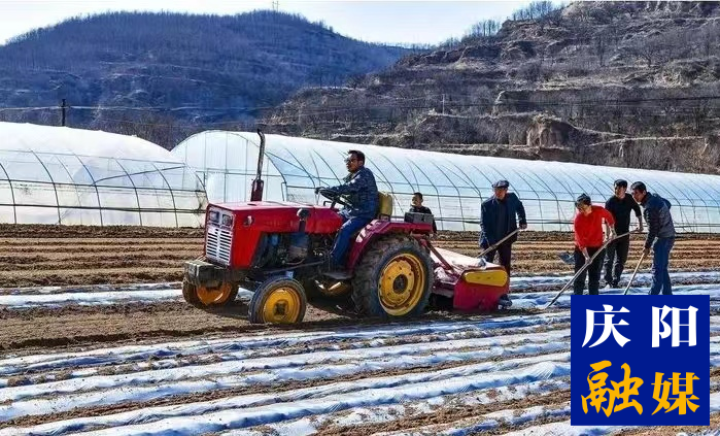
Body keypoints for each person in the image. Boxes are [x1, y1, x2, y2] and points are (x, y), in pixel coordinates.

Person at [315, 150, 378, 270]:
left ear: (361, 162)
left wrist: (330, 189)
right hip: (350, 210)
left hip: (363, 213)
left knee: (345, 230)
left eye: (352, 160)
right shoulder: (352, 175)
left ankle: (332, 262)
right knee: (327, 221)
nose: (348, 163)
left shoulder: (364, 174)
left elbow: (350, 187)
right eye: (347, 160)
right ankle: (320, 252)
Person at [630, 182, 676, 295]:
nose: (634, 196)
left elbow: (653, 230)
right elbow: (668, 204)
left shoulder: (650, 208)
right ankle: (667, 294)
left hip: (663, 238)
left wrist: (647, 247)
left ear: (644, 192)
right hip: (669, 236)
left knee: (657, 269)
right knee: (662, 269)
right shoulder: (655, 198)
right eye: (632, 194)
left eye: (636, 193)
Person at [480, 180, 527, 275]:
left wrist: (522, 220)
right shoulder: (487, 205)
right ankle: (485, 284)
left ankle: (505, 284)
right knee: (487, 263)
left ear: (506, 190)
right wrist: (491, 242)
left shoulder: (512, 198)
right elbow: (484, 225)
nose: (497, 193)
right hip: (491, 239)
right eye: (495, 191)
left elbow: (519, 206)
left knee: (505, 264)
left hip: (507, 237)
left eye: (500, 191)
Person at [603, 179, 644, 288]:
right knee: (609, 260)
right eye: (615, 188)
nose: (616, 190)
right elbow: (606, 220)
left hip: (624, 234)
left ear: (624, 189)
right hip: (613, 235)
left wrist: (640, 224)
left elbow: (637, 209)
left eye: (619, 188)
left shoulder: (629, 199)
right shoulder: (610, 202)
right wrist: (608, 235)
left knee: (621, 260)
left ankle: (615, 281)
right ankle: (608, 282)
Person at [573, 193, 616, 296]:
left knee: (594, 276)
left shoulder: (598, 210)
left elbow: (609, 217)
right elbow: (580, 241)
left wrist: (612, 232)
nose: (580, 210)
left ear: (589, 205)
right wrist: (587, 256)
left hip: (597, 248)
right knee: (580, 276)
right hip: (582, 250)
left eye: (582, 207)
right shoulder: (578, 219)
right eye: (579, 208)